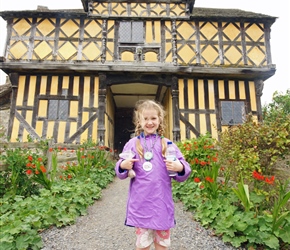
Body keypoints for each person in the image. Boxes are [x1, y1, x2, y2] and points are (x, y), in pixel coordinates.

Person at [115, 99, 191, 250]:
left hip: (161, 202)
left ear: (160, 120)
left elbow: (184, 169)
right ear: (139, 121)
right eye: (146, 119)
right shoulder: (132, 144)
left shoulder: (168, 144)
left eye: (153, 118)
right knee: (142, 244)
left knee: (162, 243)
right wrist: (123, 166)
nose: (150, 122)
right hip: (141, 203)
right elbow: (121, 169)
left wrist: (179, 166)